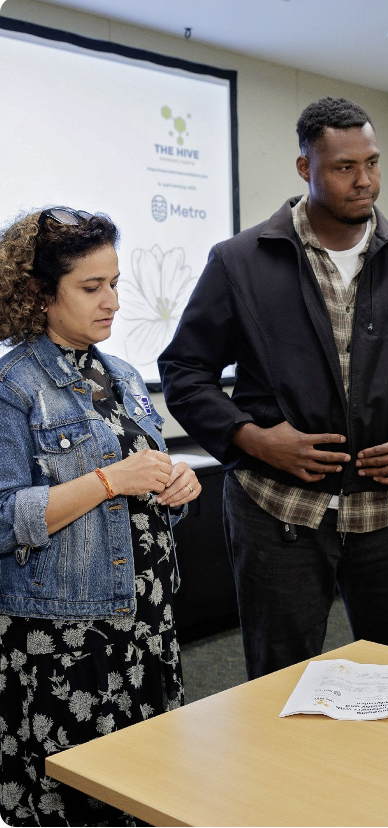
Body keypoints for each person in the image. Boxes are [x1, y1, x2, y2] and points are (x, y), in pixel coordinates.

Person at [158, 97, 388, 679]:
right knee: (279, 679)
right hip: (279, 514)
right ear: (306, 169)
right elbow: (184, 371)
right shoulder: (239, 262)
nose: (365, 181)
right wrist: (252, 438)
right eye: (345, 167)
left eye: (373, 163)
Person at [0, 207, 201, 826]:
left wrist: (176, 487)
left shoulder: (122, 375)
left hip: (144, 622)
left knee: (145, 794)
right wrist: (110, 480)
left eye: (115, 283)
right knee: (79, 805)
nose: (112, 300)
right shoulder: (13, 386)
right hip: (68, 640)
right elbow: (4, 520)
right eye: (92, 287)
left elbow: (144, 486)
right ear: (38, 294)